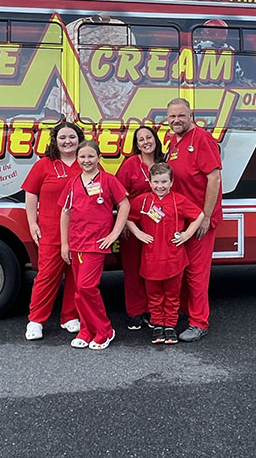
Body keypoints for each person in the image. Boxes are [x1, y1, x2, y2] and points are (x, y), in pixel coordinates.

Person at [59, 140, 130, 350]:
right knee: (79, 292)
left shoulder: (108, 180)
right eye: (82, 157)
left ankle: (105, 330)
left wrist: (114, 233)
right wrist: (65, 244)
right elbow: (65, 212)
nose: (86, 160)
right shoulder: (72, 183)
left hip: (97, 243)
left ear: (99, 157)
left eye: (91, 156)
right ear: (77, 159)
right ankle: (86, 330)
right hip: (76, 242)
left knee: (86, 287)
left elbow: (124, 204)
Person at [165, 98, 223, 342]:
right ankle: (186, 313)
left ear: (191, 115)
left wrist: (206, 217)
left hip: (198, 219)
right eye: (172, 117)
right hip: (181, 218)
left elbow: (214, 178)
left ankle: (199, 322)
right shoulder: (173, 141)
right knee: (182, 268)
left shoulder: (202, 139)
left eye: (181, 115)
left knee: (196, 273)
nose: (176, 120)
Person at [22, 121, 85, 341]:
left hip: (80, 233)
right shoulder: (44, 165)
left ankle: (69, 316)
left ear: (79, 139)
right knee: (47, 276)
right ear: (55, 141)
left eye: (72, 137)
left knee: (76, 277)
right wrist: (32, 223)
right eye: (63, 138)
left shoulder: (87, 162)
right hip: (50, 231)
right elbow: (31, 194)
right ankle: (36, 320)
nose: (68, 141)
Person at [127, 163, 204, 344]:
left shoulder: (179, 200)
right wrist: (138, 233)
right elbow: (127, 216)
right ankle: (157, 325)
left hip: (174, 258)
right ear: (150, 182)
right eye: (156, 182)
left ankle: (170, 325)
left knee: (172, 295)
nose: (160, 186)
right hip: (151, 258)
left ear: (171, 182)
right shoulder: (143, 201)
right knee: (153, 295)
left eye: (164, 182)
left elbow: (199, 215)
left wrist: (186, 235)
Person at [115, 125, 165, 330]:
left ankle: (154, 311)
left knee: (154, 269)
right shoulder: (130, 164)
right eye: (141, 139)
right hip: (133, 225)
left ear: (155, 139)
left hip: (158, 227)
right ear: (136, 145)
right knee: (133, 269)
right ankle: (136, 311)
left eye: (149, 137)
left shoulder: (163, 164)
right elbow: (118, 195)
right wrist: (123, 221)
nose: (146, 142)